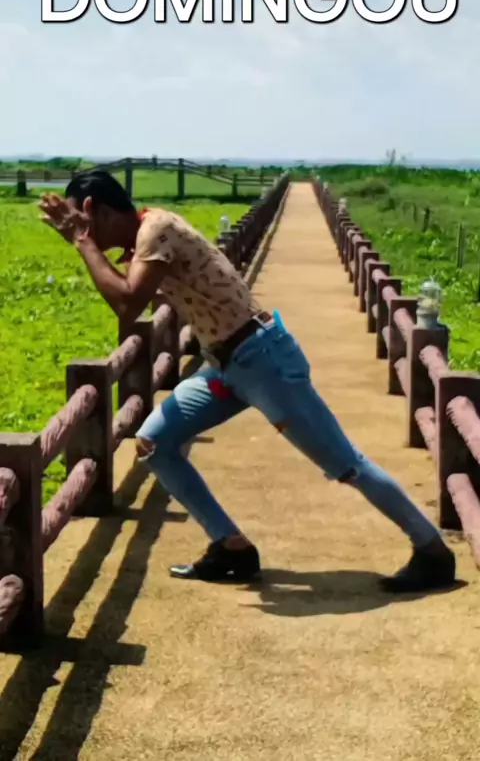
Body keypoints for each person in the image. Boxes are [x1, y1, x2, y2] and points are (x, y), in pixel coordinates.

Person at [39, 169, 456, 593]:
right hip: (227, 366)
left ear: (97, 211)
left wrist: (83, 242)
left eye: (79, 221)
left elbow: (128, 304)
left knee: (347, 465)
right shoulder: (146, 236)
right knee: (155, 442)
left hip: (262, 361)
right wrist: (86, 240)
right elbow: (133, 294)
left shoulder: (156, 230)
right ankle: (231, 546)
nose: (77, 232)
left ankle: (432, 551)